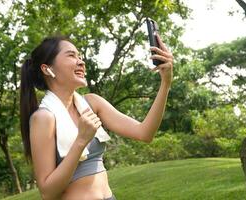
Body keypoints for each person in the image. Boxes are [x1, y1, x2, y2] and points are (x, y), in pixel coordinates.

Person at [19, 34, 173, 200]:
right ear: (47, 69)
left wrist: (165, 83)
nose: (81, 62)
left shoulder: (92, 103)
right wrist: (81, 141)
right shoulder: (44, 118)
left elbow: (145, 133)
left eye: (80, 56)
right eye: (71, 55)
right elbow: (47, 193)